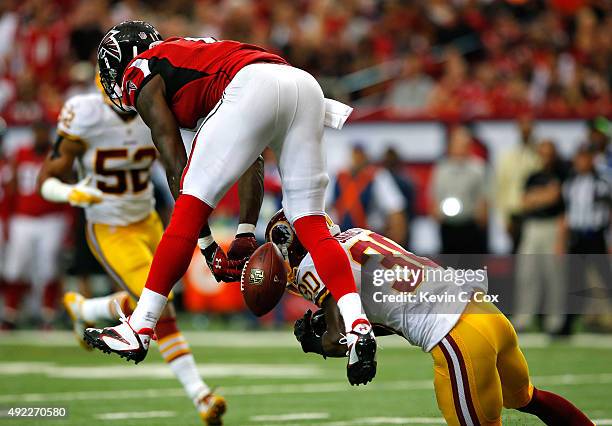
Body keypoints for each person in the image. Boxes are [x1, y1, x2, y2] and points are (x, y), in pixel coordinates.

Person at [87, 20, 376, 386]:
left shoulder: (141, 69)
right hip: (301, 84)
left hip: (252, 86)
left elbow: (175, 163)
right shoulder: (189, 56)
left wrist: (208, 247)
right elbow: (251, 157)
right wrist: (243, 234)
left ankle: (140, 326)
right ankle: (358, 325)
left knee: (187, 209)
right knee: (311, 222)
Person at [264, 210, 594, 426]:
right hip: (485, 312)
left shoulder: (312, 265)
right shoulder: (358, 235)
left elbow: (341, 340)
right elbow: (396, 309)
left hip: (457, 339)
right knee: (529, 398)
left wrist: (316, 343)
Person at [37, 87, 227, 424]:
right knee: (160, 306)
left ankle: (84, 309)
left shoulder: (152, 108)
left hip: (149, 220)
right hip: (110, 228)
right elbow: (46, 179)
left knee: (155, 297)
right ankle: (201, 394)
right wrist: (70, 191)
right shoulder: (85, 114)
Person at [2, 122, 68, 329]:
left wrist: (68, 221)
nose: (39, 136)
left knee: (48, 267)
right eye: (36, 132)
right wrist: (8, 218)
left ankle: (47, 314)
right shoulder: (20, 154)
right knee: (16, 267)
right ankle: (11, 313)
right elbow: (12, 188)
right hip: (23, 218)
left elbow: (67, 187)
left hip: (52, 218)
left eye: (42, 132)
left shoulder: (57, 155)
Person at [513, 140, 567, 334]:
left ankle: (555, 322)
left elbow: (557, 200)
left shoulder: (562, 173)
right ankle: (523, 319)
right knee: (527, 273)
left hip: (553, 226)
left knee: (554, 275)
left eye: (548, 152)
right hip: (532, 226)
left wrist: (539, 197)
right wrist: (544, 195)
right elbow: (524, 202)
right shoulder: (533, 176)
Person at [557, 145, 612, 336]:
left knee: (606, 279)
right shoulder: (570, 183)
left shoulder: (602, 183)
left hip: (595, 236)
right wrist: (562, 242)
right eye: (578, 158)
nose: (581, 162)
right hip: (577, 238)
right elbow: (566, 215)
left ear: (591, 160)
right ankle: (567, 325)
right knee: (573, 282)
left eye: (585, 158)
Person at [329, 145, 407, 245]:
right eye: (354, 155)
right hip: (341, 237)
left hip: (370, 238)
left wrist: (397, 233)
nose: (356, 159)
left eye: (359, 155)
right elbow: (324, 206)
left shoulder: (378, 176)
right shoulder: (337, 177)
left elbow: (395, 207)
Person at [430, 126, 488, 254]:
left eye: (464, 144)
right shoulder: (441, 169)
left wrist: (482, 217)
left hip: (471, 226)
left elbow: (483, 197)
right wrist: (435, 213)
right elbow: (434, 195)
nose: (461, 147)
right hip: (448, 227)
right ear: (450, 145)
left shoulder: (478, 168)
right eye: (457, 143)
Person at [495, 115, 541, 252]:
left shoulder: (540, 156)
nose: (526, 129)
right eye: (523, 125)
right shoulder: (508, 157)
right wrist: (504, 218)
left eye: (529, 125)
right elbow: (501, 189)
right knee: (516, 253)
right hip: (515, 212)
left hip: (535, 213)